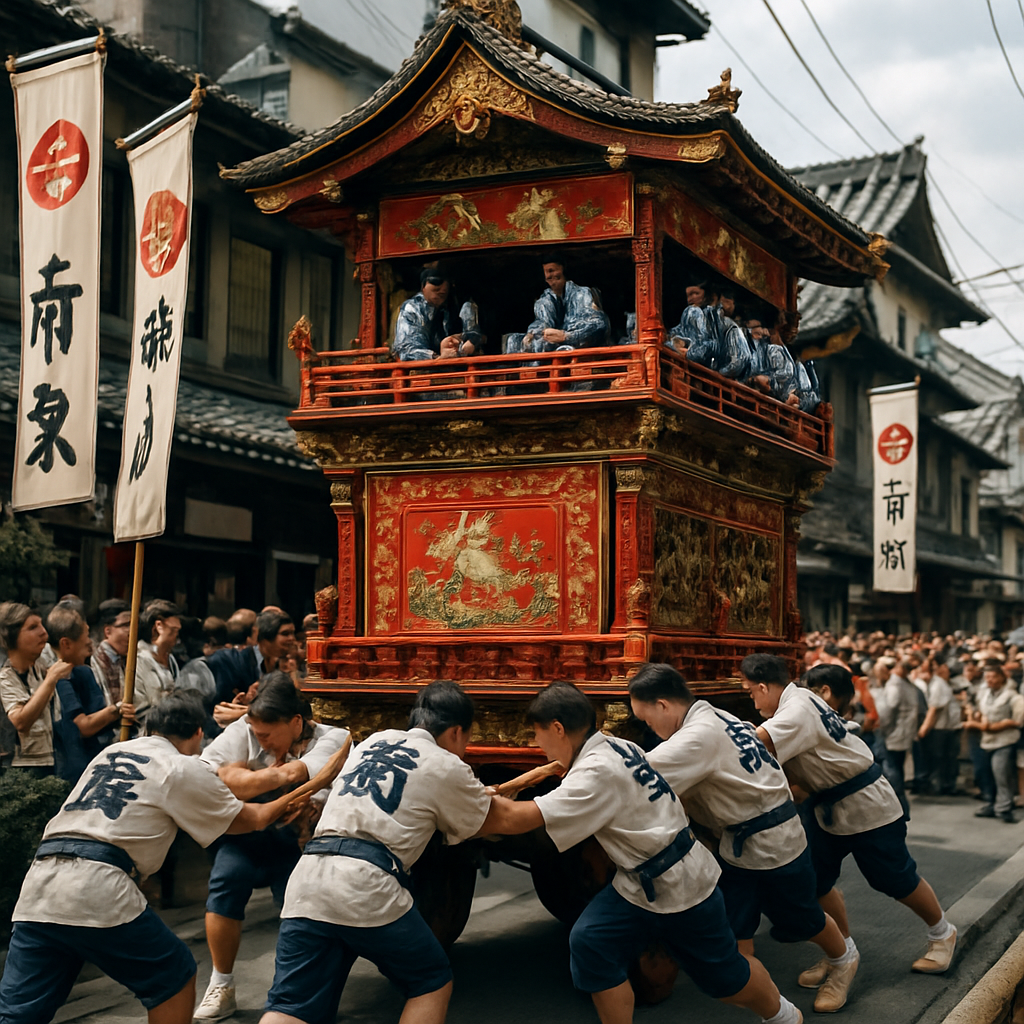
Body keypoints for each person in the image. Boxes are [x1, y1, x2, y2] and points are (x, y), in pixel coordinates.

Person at [0, 692, 335, 1024]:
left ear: (149, 728)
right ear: (198, 734)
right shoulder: (181, 766)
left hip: (40, 882)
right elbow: (254, 819)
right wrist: (306, 787)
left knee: (18, 1014)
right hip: (96, 882)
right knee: (173, 977)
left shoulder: (112, 751)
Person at [480, 681, 801, 1024]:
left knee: (726, 978)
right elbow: (562, 771)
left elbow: (516, 819)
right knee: (591, 941)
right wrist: (522, 781)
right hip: (637, 883)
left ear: (558, 728)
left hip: (681, 884)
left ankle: (782, 1015)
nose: (535, 742)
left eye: (537, 733)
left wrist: (462, 803)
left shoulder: (595, 773)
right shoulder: (613, 744)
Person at [259, 680, 492, 1024]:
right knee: (430, 981)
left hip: (309, 877)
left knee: (291, 1006)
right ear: (458, 732)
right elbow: (494, 820)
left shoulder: (374, 740)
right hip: (366, 884)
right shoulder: (445, 763)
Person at [629, 664, 853, 1013]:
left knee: (804, 918)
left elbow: (636, 776)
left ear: (662, 705)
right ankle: (772, 1007)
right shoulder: (716, 715)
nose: (649, 727)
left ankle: (844, 960)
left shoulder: (696, 736)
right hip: (741, 845)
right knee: (739, 928)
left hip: (776, 843)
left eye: (646, 719)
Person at [740, 656, 958, 987]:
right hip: (826, 805)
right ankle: (841, 954)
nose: (751, 702)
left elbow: (753, 746)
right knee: (814, 882)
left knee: (894, 878)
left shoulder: (795, 709)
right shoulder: (801, 698)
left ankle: (942, 932)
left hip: (866, 804)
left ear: (762, 686)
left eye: (750, 694)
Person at [195, 673, 350, 1020]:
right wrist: (272, 780)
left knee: (301, 915)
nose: (260, 743)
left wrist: (244, 777)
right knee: (225, 882)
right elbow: (213, 775)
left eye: (267, 736)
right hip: (248, 834)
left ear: (296, 723)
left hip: (303, 844)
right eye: (256, 735)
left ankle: (295, 995)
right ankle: (221, 983)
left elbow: (303, 772)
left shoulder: (335, 738)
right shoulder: (245, 731)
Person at [44, 605, 135, 784]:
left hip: (95, 760)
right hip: (72, 769)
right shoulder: (60, 677)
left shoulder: (84, 672)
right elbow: (82, 727)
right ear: (66, 644)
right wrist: (117, 709)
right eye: (85, 636)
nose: (90, 643)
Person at [0, 602, 71, 777]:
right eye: (32, 627)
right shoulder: (4, 673)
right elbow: (21, 722)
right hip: (17, 769)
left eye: (41, 625)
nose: (43, 633)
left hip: (47, 761)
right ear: (10, 635)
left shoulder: (38, 668)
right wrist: (51, 680)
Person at [505, 255, 609, 356]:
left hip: (577, 347)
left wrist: (566, 336)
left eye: (551, 270)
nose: (548, 276)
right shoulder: (544, 300)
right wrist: (532, 334)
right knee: (514, 339)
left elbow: (597, 324)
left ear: (563, 270)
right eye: (545, 272)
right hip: (552, 346)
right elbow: (542, 321)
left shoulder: (582, 293)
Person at [964, 663, 1024, 822]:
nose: (989, 680)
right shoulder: (984, 694)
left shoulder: (1012, 696)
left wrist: (994, 726)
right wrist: (979, 719)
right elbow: (981, 712)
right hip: (987, 740)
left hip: (1004, 740)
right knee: (987, 774)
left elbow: (1017, 720)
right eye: (987, 677)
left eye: (993, 676)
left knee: (1001, 774)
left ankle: (1004, 808)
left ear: (1001, 678)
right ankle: (991, 803)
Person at [393, 267, 481, 362]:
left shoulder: (451, 307)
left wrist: (463, 343)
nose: (440, 292)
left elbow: (471, 336)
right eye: (436, 289)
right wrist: (437, 357)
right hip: (421, 368)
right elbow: (407, 350)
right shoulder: (412, 308)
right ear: (423, 286)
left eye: (443, 293)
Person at [134, 600, 182, 726]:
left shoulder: (170, 659)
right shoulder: (139, 659)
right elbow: (140, 706)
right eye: (173, 630)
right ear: (158, 626)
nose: (176, 636)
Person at [883, 658, 920, 816]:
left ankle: (899, 808)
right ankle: (901, 807)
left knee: (893, 769)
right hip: (904, 732)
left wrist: (883, 729)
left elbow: (889, 709)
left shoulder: (895, 685)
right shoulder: (908, 685)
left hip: (894, 732)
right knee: (897, 767)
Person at [90, 599, 131, 709]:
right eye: (125, 625)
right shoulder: (93, 660)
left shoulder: (127, 659)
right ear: (107, 631)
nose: (131, 631)